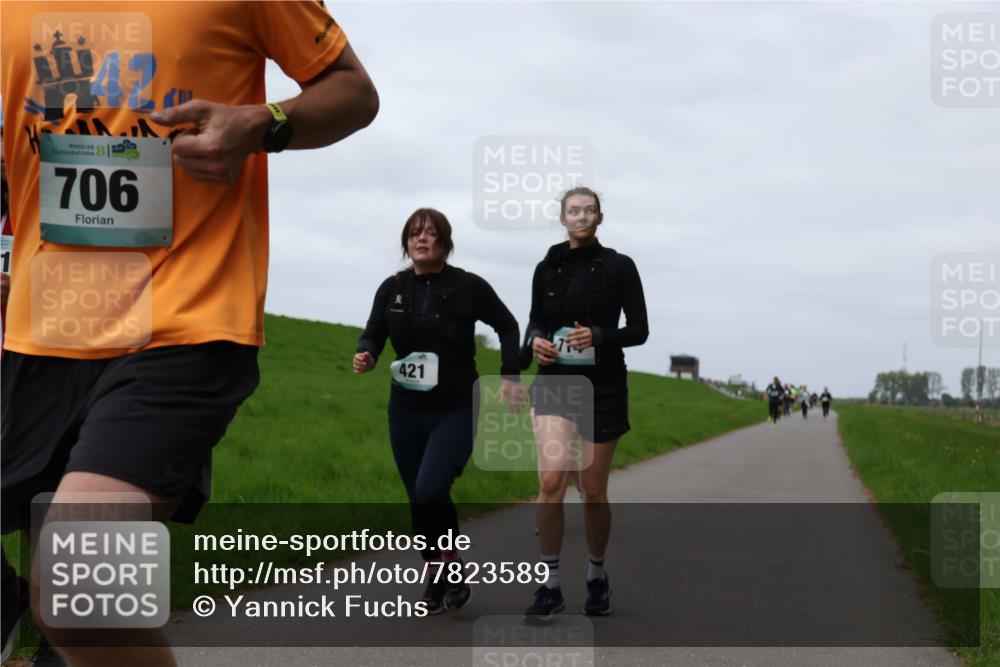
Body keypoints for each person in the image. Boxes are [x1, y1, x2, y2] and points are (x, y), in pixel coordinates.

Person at [1, 3, 378, 665]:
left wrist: (262, 121)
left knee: (80, 588)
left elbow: (352, 92)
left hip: (182, 319)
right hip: (38, 328)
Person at [354, 208, 526, 614]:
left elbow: (507, 325)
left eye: (430, 233)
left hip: (456, 405)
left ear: (445, 243)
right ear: (406, 242)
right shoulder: (392, 288)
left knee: (431, 488)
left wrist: (509, 375)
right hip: (405, 408)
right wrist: (367, 353)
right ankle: (437, 572)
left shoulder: (468, 286)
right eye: (414, 233)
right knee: (417, 497)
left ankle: (450, 566)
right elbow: (373, 333)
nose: (421, 239)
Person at [522, 187, 648, 621]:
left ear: (599, 218)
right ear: (562, 218)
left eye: (588, 210)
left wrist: (597, 335)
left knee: (592, 490)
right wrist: (536, 340)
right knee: (551, 481)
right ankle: (549, 584)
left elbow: (639, 330)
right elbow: (535, 319)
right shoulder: (546, 267)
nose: (581, 216)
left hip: (603, 387)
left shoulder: (619, 266)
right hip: (555, 384)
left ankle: (596, 575)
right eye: (573, 210)